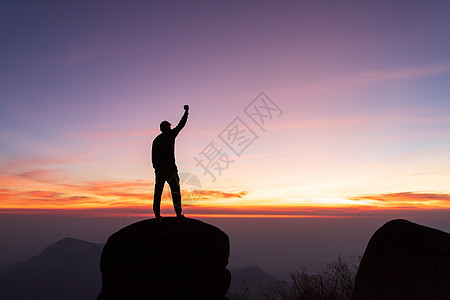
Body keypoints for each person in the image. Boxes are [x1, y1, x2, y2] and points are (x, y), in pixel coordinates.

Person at [151, 105, 189, 220]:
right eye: (168, 126)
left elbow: (153, 158)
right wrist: (186, 113)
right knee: (175, 192)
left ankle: (157, 214)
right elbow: (181, 125)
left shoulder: (156, 140)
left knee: (158, 192)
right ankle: (178, 214)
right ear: (165, 128)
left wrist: (156, 168)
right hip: (170, 170)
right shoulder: (170, 135)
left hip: (161, 171)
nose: (170, 127)